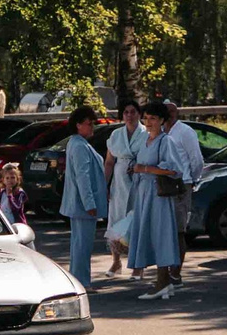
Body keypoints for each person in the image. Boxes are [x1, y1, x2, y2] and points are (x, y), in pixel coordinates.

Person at [124, 102, 185, 299]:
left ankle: (163, 281)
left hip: (157, 194)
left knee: (161, 234)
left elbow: (175, 169)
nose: (148, 122)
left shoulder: (165, 141)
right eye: (147, 118)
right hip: (143, 193)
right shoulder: (145, 140)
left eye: (153, 118)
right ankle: (163, 280)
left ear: (161, 121)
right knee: (149, 233)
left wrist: (146, 169)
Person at [59, 104, 109, 285]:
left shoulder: (76, 143)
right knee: (83, 245)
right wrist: (90, 203)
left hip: (78, 203)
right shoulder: (79, 146)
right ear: (78, 125)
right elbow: (83, 176)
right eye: (89, 123)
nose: (92, 127)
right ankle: (82, 282)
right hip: (83, 205)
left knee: (79, 244)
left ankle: (78, 280)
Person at [161, 102, 207, 285]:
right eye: (166, 112)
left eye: (172, 111)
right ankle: (164, 273)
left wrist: (191, 180)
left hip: (182, 186)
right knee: (164, 232)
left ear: (177, 113)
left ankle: (176, 273)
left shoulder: (185, 132)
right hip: (163, 187)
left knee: (179, 231)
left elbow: (196, 160)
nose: (170, 115)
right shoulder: (159, 132)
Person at [104, 98, 143, 277]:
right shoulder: (116, 135)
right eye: (126, 112)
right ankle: (116, 262)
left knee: (136, 223)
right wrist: (105, 185)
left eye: (133, 112)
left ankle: (137, 266)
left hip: (139, 179)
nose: (129, 115)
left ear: (139, 114)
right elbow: (109, 162)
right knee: (116, 220)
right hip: (119, 182)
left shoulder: (145, 133)